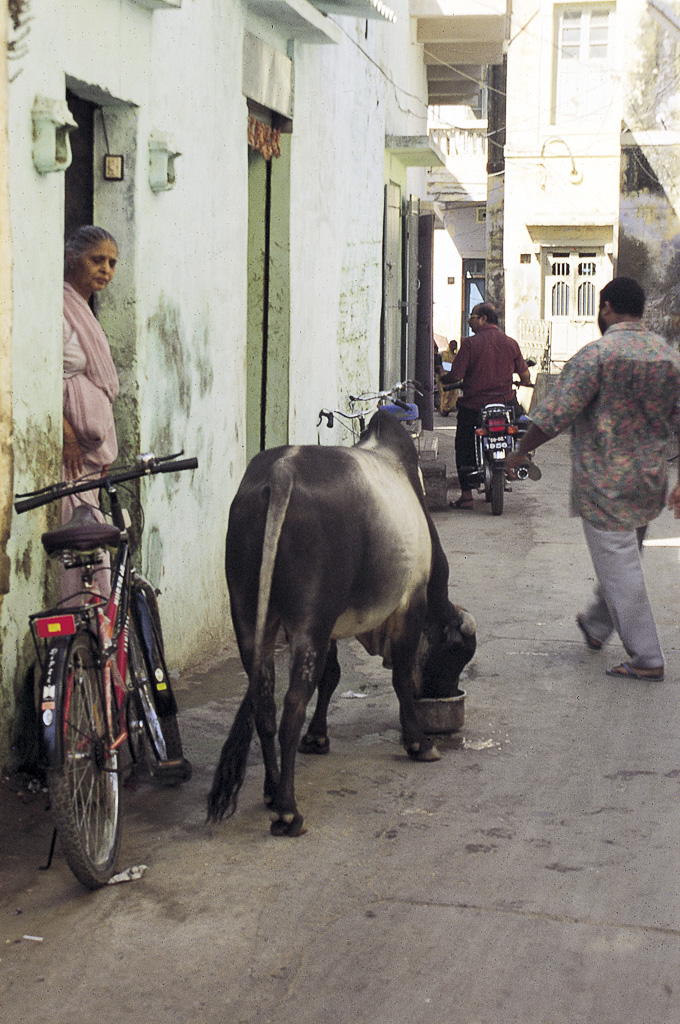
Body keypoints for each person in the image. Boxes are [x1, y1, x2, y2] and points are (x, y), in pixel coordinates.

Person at [506, 276, 680, 681]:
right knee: (623, 560)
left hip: (604, 484)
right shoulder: (667, 358)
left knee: (620, 567)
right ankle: (597, 625)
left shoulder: (596, 356)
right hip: (650, 481)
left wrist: (522, 449)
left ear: (606, 308)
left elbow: (555, 414)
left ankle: (646, 657)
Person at [62, 225, 120, 602]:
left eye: (112, 263)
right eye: (96, 259)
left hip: (89, 461)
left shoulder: (83, 310)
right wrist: (66, 433)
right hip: (69, 458)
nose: (106, 269)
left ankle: (94, 640)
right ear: (72, 258)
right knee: (78, 548)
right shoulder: (59, 307)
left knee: (92, 546)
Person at [443, 304, 531, 508]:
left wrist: (445, 379)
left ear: (483, 318)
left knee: (464, 442)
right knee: (522, 424)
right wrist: (522, 382)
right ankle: (517, 460)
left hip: (474, 405)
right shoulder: (511, 343)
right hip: (505, 402)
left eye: (471, 317)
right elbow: (525, 376)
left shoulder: (470, 344)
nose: (469, 321)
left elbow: (456, 375)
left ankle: (466, 496)